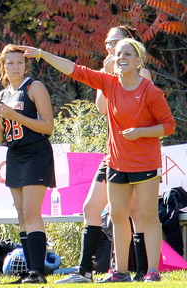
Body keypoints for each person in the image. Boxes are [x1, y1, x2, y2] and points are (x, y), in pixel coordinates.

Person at [20, 38, 175, 282]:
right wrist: (41, 53)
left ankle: (152, 272)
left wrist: (142, 132)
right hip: (116, 163)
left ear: (138, 62)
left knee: (148, 217)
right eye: (117, 54)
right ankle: (120, 272)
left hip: (145, 163)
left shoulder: (150, 91)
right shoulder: (109, 83)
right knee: (117, 217)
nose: (120, 58)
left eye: (126, 54)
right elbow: (74, 69)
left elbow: (168, 126)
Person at [56, 26, 150, 284]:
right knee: (91, 208)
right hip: (112, 153)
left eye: (116, 42)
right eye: (108, 43)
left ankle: (141, 271)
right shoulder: (107, 74)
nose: (110, 48)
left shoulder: (144, 75)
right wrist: (107, 75)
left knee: (135, 214)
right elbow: (101, 109)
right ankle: (85, 271)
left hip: (137, 155)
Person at [0, 44, 55, 284]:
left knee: (31, 212)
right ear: (3, 66)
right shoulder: (3, 94)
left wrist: (15, 116)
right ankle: (29, 272)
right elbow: (3, 138)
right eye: (10, 62)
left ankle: (38, 272)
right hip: (15, 155)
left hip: (36, 153)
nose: (15, 66)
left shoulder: (34, 87)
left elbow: (48, 126)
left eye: (19, 62)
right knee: (21, 214)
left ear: (26, 64)